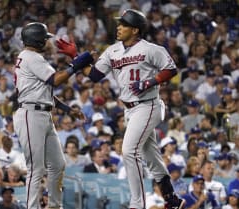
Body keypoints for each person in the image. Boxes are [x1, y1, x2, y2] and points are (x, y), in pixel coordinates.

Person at [57, 9, 184, 209]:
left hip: (148, 104)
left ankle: (137, 203)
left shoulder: (151, 48)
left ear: (135, 30)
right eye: (119, 24)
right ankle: (172, 200)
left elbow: (171, 69)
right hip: (130, 109)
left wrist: (150, 82)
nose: (119, 27)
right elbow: (95, 75)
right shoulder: (112, 50)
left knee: (128, 151)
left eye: (123, 25)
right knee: (151, 156)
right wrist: (75, 55)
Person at [13, 22, 90, 209]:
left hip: (41, 112)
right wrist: (76, 65)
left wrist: (66, 109)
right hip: (31, 115)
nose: (48, 42)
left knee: (57, 164)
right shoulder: (31, 57)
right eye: (45, 38)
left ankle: (54, 206)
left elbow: (43, 91)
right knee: (36, 169)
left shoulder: (30, 57)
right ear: (37, 40)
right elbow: (55, 80)